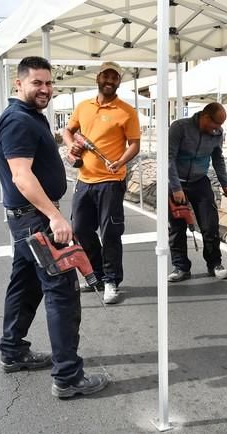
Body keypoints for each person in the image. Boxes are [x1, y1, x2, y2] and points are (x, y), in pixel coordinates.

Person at [0, 56, 108, 398]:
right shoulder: (18, 121)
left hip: (26, 221)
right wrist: (55, 217)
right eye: (36, 83)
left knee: (25, 287)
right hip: (37, 220)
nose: (44, 89)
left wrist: (65, 156)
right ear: (19, 84)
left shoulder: (29, 117)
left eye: (48, 83)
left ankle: (13, 351)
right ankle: (68, 377)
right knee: (62, 295)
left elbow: (34, 164)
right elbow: (21, 176)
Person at [63, 62, 141, 304]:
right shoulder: (83, 106)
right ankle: (95, 274)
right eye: (106, 76)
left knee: (110, 233)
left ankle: (111, 281)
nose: (110, 80)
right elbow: (68, 130)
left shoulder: (127, 111)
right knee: (79, 230)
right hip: (84, 180)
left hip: (111, 181)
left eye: (115, 77)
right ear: (98, 78)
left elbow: (135, 145)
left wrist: (120, 162)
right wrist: (71, 147)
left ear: (119, 82)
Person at [168, 102, 227, 282]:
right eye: (215, 124)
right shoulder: (180, 128)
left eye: (220, 125)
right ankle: (181, 267)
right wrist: (176, 188)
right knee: (177, 228)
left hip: (200, 182)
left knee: (210, 225)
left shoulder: (217, 133)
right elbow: (169, 158)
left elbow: (217, 158)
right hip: (177, 182)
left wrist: (225, 183)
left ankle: (214, 264)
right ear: (205, 117)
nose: (218, 129)